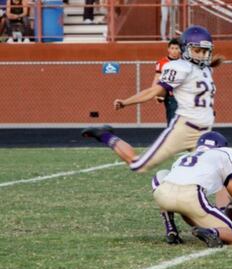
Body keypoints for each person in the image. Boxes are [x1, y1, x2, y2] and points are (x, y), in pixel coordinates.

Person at [82, 25, 218, 174]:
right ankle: (104, 135)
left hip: (202, 128)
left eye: (205, 51)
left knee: (216, 170)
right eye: (197, 51)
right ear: (185, 49)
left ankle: (226, 199)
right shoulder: (178, 67)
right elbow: (153, 91)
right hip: (185, 127)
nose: (202, 55)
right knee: (138, 165)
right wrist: (125, 102)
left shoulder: (205, 69)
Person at [152, 131, 232, 247]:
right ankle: (211, 232)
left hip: (163, 194)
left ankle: (170, 227)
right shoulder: (223, 155)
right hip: (190, 196)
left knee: (161, 174)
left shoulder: (184, 157)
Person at [152, 38, 181, 126]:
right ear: (168, 49)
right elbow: (157, 78)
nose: (174, 51)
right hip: (170, 95)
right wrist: (154, 93)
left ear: (180, 50)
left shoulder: (184, 62)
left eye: (176, 48)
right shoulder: (161, 63)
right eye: (172, 48)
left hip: (184, 95)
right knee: (172, 119)